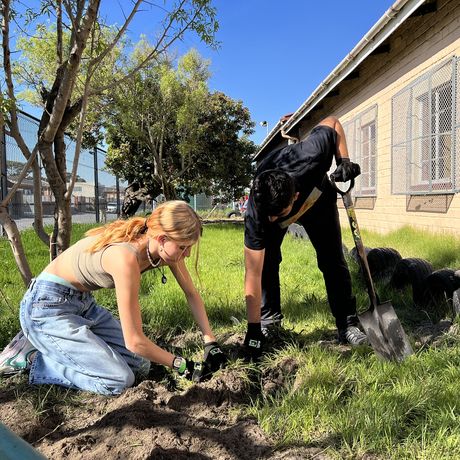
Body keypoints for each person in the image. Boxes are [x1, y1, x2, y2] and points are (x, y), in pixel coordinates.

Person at [0, 201, 227, 394]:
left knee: (140, 366)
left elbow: (191, 293)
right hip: (45, 308)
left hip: (82, 304)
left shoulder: (161, 248)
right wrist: (181, 365)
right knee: (118, 380)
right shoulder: (125, 258)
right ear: (161, 238)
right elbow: (135, 340)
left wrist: (210, 341)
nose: (186, 254)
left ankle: (55, 343)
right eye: (183, 247)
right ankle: (36, 360)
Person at [243, 116, 367, 359]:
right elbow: (252, 273)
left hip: (318, 200)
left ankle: (346, 323)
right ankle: (269, 322)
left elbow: (332, 122)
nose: (271, 220)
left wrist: (344, 160)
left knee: (332, 259)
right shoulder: (259, 211)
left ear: (294, 196)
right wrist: (253, 329)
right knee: (266, 262)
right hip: (279, 202)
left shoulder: (313, 155)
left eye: (276, 215)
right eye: (268, 215)